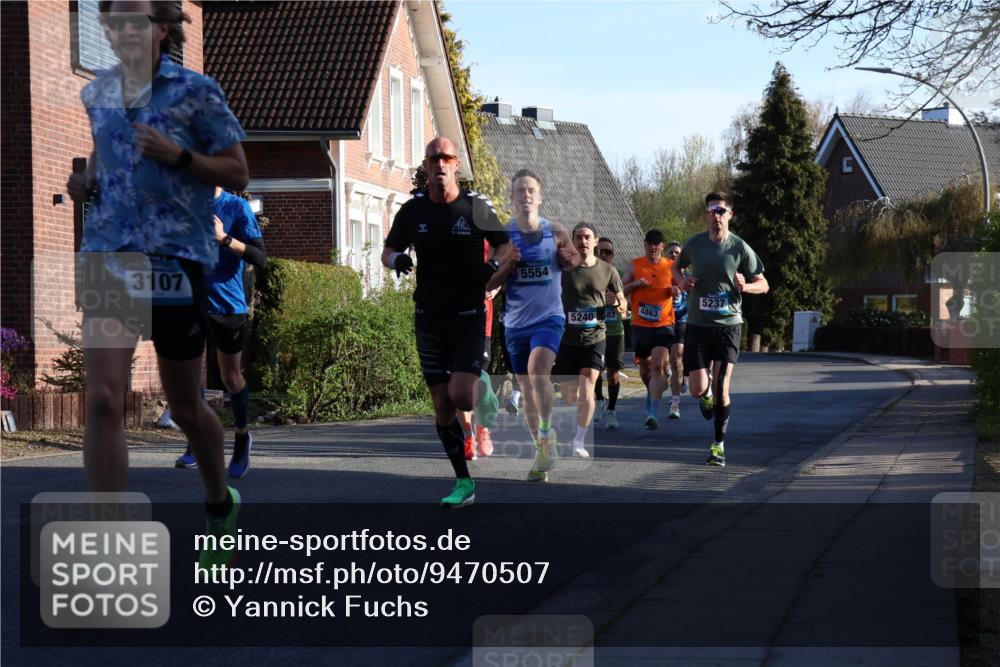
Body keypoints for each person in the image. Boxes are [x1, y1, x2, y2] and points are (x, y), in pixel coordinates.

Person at [67, 1, 248, 570]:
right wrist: (86, 181)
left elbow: (238, 171)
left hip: (175, 259)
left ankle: (219, 500)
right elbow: (107, 157)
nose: (119, 27)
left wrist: (180, 156)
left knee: (186, 404)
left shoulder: (196, 91)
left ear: (161, 28)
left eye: (132, 17)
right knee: (102, 398)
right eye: (111, 17)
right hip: (110, 256)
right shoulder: (96, 94)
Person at [382, 137, 510, 507]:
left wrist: (492, 268)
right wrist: (396, 262)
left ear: (456, 165)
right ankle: (463, 482)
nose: (440, 164)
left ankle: (483, 390)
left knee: (460, 394)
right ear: (426, 165)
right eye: (434, 158)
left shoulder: (476, 206)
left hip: (469, 315)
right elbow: (389, 250)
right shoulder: (413, 210)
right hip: (429, 318)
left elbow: (504, 247)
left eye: (447, 158)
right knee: (441, 406)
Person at [488, 169, 579, 482]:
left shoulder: (554, 231)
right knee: (526, 389)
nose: (526, 195)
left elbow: (573, 258)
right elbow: (489, 282)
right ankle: (541, 450)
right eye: (520, 191)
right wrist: (507, 264)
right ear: (512, 198)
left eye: (531, 191)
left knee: (538, 370)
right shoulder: (502, 237)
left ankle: (547, 431)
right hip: (515, 323)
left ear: (539, 198)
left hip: (549, 318)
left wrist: (570, 258)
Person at [174, 187, 267, 478]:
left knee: (230, 376)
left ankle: (241, 437)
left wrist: (224, 239)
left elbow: (259, 257)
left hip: (227, 304)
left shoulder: (237, 207)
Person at [673, 192, 768, 466]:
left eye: (721, 211)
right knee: (696, 388)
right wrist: (682, 281)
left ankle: (718, 446)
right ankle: (706, 396)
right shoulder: (695, 244)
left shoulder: (739, 248)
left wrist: (745, 286)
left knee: (722, 384)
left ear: (730, 215)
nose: (717, 216)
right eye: (712, 210)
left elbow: (763, 283)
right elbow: (675, 268)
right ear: (706, 214)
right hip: (698, 324)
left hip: (729, 325)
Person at [554, 224, 626, 458]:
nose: (583, 242)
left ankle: (578, 442)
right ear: (573, 241)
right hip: (566, 339)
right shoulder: (563, 267)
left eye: (587, 238)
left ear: (595, 241)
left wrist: (615, 302)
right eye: (578, 237)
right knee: (569, 396)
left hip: (596, 337)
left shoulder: (608, 270)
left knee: (587, 390)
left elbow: (625, 307)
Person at [622, 229, 679, 430]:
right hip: (640, 325)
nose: (653, 247)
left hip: (663, 325)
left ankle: (653, 412)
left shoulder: (670, 266)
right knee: (645, 369)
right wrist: (635, 284)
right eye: (649, 243)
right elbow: (622, 290)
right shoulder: (635, 265)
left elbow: (680, 286)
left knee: (657, 365)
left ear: (662, 246)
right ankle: (651, 391)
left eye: (657, 244)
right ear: (645, 245)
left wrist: (675, 290)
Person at [595, 237, 628, 429]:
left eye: (608, 252)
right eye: (601, 252)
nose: (604, 255)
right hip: (595, 330)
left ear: (613, 255)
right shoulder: (589, 272)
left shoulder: (618, 273)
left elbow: (627, 306)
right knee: (595, 371)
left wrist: (616, 302)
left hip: (615, 330)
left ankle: (612, 410)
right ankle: (599, 400)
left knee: (613, 374)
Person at [665, 241, 687, 419]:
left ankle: (675, 403)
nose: (674, 255)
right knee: (664, 364)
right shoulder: (661, 275)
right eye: (671, 252)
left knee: (677, 356)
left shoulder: (688, 277)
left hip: (682, 320)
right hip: (663, 321)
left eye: (677, 253)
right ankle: (676, 379)